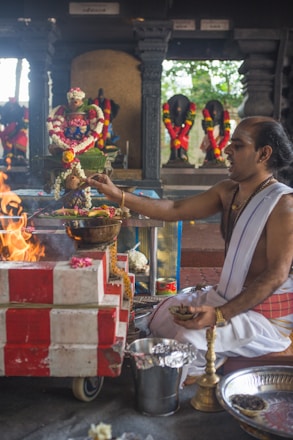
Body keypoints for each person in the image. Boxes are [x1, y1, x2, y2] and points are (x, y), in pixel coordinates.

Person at [86, 116, 293, 385]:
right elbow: (175, 210)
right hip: (226, 299)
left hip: (265, 317)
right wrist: (117, 195)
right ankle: (209, 357)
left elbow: (276, 275)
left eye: (238, 146)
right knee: (162, 315)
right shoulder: (228, 191)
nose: (226, 150)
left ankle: (201, 378)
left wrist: (219, 315)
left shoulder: (283, 206)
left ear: (264, 154)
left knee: (188, 338)